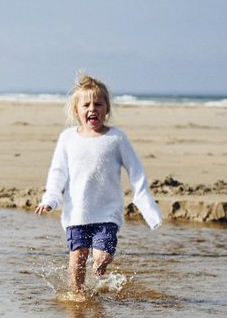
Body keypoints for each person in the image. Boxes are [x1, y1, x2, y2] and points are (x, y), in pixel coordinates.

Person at [34, 74, 163, 294]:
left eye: (98, 104)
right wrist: (51, 199)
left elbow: (136, 172)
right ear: (77, 111)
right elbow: (58, 172)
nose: (92, 108)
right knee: (77, 258)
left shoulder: (116, 139)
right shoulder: (67, 138)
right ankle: (78, 298)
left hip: (106, 213)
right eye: (86, 104)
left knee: (101, 257)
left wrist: (148, 209)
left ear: (107, 109)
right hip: (77, 214)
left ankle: (100, 267)